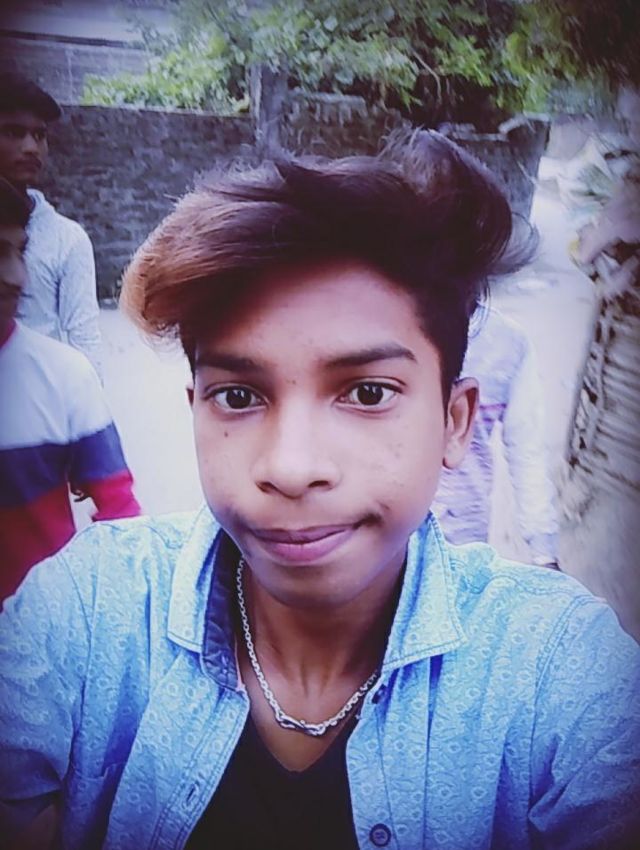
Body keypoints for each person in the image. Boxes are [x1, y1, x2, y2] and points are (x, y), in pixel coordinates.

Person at [0, 133, 638, 850]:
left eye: (367, 392)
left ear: (455, 421)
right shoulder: (87, 610)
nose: (292, 467)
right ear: (195, 409)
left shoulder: (557, 669)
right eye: (238, 396)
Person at [0, 178, 141, 602]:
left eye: (20, 252)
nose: (16, 276)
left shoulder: (64, 375)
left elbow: (121, 517)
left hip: (42, 625)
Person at [432, 302, 561, 568]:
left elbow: (526, 452)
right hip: (394, 534)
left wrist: (543, 551)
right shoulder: (389, 323)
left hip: (464, 536)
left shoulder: (508, 344)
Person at [0, 72, 103, 378]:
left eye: (39, 135)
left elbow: (84, 340)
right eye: (13, 132)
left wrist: (86, 400)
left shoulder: (66, 238)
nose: (31, 147)